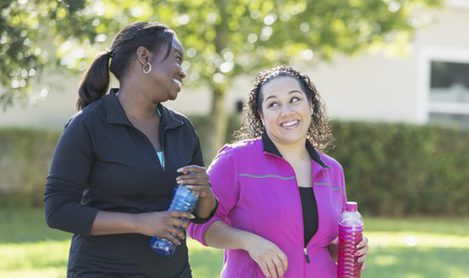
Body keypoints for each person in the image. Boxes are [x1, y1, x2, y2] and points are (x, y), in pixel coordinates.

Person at [44, 22, 217, 277]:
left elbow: (200, 215)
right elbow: (58, 211)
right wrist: (139, 223)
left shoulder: (182, 128)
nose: (182, 72)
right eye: (177, 59)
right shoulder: (89, 125)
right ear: (144, 57)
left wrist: (205, 192)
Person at [188, 66, 369, 277]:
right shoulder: (235, 160)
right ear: (261, 115)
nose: (286, 111)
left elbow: (316, 244)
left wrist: (343, 250)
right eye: (273, 104)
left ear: (311, 105)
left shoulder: (332, 170)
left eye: (294, 99)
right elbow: (198, 223)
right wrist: (250, 243)